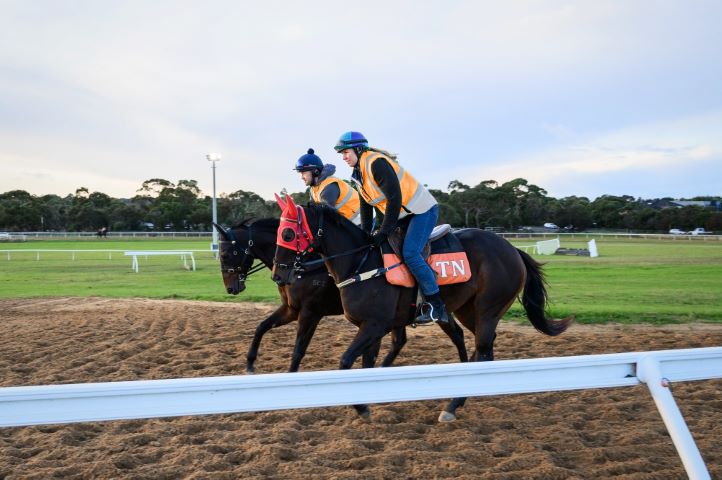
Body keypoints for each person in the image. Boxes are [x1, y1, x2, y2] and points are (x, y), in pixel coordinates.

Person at [334, 131, 448, 325]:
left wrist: (384, 231)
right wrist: (366, 234)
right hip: (405, 216)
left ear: (358, 149)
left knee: (411, 254)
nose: (343, 157)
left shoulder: (376, 163)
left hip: (422, 211)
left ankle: (437, 307)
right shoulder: (358, 173)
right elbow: (366, 207)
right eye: (341, 154)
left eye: (346, 152)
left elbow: (394, 200)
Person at [294, 148, 361, 225]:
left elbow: (325, 217)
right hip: (346, 224)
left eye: (303, 173)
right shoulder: (313, 189)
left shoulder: (329, 186)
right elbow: (313, 211)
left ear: (315, 171)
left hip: (359, 221)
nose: (302, 177)